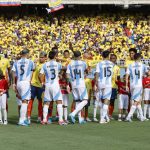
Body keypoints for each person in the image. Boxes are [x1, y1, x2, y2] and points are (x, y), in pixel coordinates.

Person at [39, 50, 66, 125]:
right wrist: (60, 74)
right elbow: (65, 68)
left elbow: (40, 75)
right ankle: (60, 120)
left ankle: (44, 120)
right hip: (55, 84)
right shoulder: (57, 64)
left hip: (47, 84)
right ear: (55, 56)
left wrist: (42, 83)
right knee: (59, 101)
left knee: (46, 102)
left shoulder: (45, 65)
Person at [12, 49, 35, 126]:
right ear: (27, 54)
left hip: (18, 83)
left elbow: (13, 72)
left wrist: (13, 83)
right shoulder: (30, 62)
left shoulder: (16, 62)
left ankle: (23, 119)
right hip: (26, 82)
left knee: (21, 101)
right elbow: (33, 70)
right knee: (25, 101)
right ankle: (21, 120)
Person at [67, 50, 88, 124]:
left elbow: (67, 75)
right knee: (85, 100)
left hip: (73, 83)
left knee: (77, 101)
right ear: (80, 56)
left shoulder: (70, 64)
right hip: (81, 83)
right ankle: (73, 113)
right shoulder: (83, 63)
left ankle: (80, 119)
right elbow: (86, 70)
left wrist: (68, 84)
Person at [125, 53, 148, 122]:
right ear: (140, 58)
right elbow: (146, 73)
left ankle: (142, 117)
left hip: (132, 85)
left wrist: (126, 85)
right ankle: (128, 117)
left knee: (138, 101)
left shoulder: (130, 65)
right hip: (138, 85)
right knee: (136, 101)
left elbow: (126, 76)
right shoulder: (143, 65)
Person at [27, 51, 47, 124]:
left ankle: (39, 117)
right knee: (30, 101)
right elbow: (31, 71)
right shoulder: (35, 64)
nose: (40, 58)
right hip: (33, 85)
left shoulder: (45, 65)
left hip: (41, 86)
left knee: (40, 102)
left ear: (45, 58)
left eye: (42, 57)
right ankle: (28, 117)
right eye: (40, 57)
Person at [95, 50, 114, 124]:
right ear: (108, 56)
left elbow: (97, 74)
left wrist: (96, 83)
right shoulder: (112, 64)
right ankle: (102, 118)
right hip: (108, 83)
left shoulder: (99, 64)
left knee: (100, 100)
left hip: (100, 82)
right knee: (106, 101)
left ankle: (104, 116)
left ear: (102, 56)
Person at [109, 54, 120, 119]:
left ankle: (110, 114)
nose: (113, 60)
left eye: (114, 58)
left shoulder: (117, 68)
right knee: (106, 100)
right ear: (109, 59)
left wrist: (119, 86)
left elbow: (118, 77)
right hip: (107, 86)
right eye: (112, 58)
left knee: (112, 101)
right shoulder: (107, 66)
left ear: (116, 59)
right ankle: (105, 114)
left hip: (114, 86)